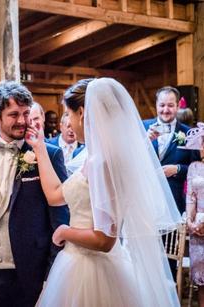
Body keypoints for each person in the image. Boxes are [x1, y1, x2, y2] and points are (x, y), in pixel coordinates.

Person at [26, 78, 181, 306]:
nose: (67, 121)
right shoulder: (93, 155)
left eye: (68, 113)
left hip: (91, 270)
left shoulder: (102, 163)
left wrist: (64, 231)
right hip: (79, 262)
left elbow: (104, 239)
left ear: (81, 113)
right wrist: (39, 147)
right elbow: (55, 194)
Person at [0, 81, 69, 307]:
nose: (22, 120)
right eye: (13, 114)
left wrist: (50, 275)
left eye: (26, 113)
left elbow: (60, 219)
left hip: (32, 275)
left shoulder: (49, 155)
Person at [144, 86, 199, 214]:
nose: (165, 110)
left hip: (174, 201)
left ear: (178, 105)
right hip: (145, 199)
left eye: (170, 105)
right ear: (156, 105)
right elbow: (130, 161)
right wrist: (145, 141)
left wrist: (177, 169)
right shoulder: (142, 127)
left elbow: (196, 169)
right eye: (162, 105)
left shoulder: (189, 133)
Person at [184, 123, 204, 307]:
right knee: (202, 282)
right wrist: (190, 222)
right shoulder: (194, 168)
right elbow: (191, 199)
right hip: (198, 230)